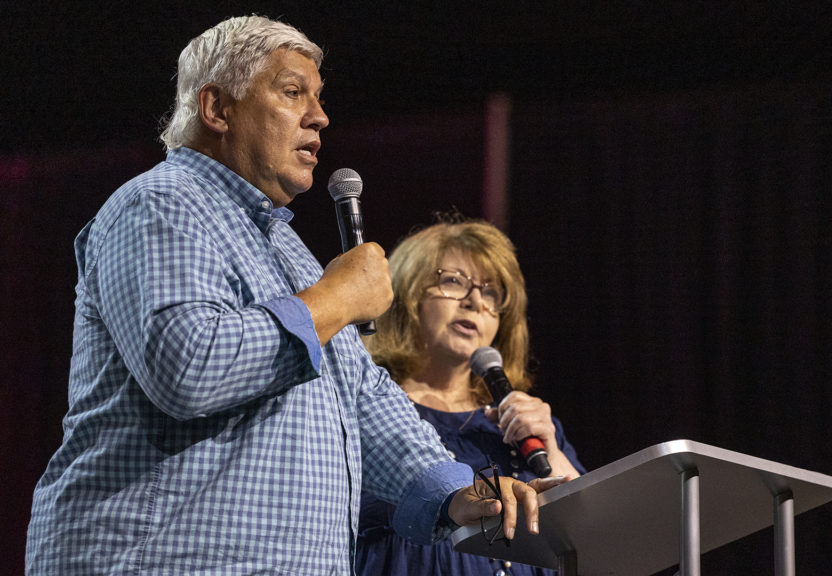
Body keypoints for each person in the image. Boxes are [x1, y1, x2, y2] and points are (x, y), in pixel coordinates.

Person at [24, 16, 560, 575]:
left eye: (319, 97)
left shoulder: (288, 248)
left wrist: (454, 490)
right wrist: (333, 299)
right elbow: (187, 365)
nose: (320, 115)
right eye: (291, 92)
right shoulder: (159, 205)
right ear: (217, 109)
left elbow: (363, 395)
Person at [357, 217, 586, 576]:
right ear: (407, 296)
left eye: (491, 292)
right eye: (453, 281)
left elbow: (589, 535)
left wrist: (551, 450)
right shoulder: (369, 410)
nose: (475, 300)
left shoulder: (524, 426)